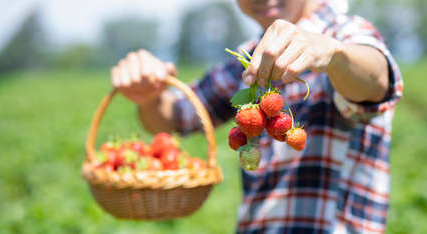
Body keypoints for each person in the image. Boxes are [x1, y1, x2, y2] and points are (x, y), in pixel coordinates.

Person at [110, 0, 403, 233]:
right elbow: (174, 117)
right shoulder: (248, 58)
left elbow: (376, 79)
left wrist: (333, 55)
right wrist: (149, 96)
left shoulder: (346, 34)